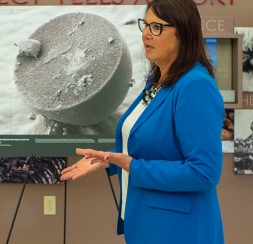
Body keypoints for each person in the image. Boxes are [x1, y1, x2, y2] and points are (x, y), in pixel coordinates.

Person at [60, 0, 225, 242]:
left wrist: (131, 165)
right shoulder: (157, 82)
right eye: (145, 25)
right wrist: (109, 159)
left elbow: (203, 172)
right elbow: (153, 146)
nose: (146, 34)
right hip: (146, 223)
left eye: (157, 27)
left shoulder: (195, 86)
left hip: (178, 230)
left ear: (184, 32)